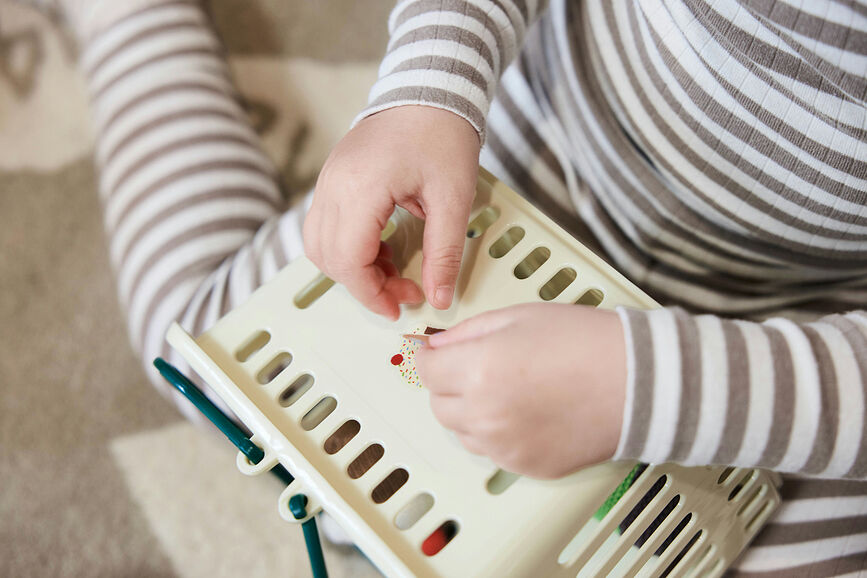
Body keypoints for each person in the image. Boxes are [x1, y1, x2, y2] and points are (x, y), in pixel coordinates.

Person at [16, 0, 866, 575]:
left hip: (794, 346)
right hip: (518, 167)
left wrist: (649, 387)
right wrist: (428, 86)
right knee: (211, 351)